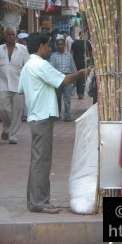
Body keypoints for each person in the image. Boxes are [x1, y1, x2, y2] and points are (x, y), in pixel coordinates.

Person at [18, 32, 88, 214]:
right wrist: (82, 73)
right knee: (42, 161)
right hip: (41, 116)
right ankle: (40, 201)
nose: (50, 49)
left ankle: (34, 201)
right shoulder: (40, 64)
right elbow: (63, 80)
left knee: (38, 161)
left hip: (36, 116)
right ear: (40, 46)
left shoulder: (28, 65)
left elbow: (20, 89)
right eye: (48, 45)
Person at [0, 27, 29, 144]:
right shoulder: (0, 49)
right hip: (2, 84)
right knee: (3, 109)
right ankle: (7, 128)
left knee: (17, 111)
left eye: (13, 35)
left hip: (18, 84)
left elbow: (28, 66)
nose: (11, 37)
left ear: (16, 36)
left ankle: (12, 134)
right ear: (5, 36)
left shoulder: (22, 49)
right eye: (9, 35)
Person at [50, 35, 77, 121]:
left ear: (65, 45)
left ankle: (67, 115)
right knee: (57, 98)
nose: (60, 46)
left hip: (67, 78)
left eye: (62, 44)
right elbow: (51, 69)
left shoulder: (69, 55)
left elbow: (73, 67)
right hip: (57, 79)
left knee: (67, 98)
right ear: (56, 45)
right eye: (59, 44)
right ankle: (57, 115)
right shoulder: (53, 56)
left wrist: (75, 78)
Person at [71, 31, 92, 99]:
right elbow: (91, 53)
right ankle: (81, 93)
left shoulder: (75, 42)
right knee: (82, 78)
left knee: (78, 77)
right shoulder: (87, 43)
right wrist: (90, 62)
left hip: (76, 63)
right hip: (83, 63)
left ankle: (79, 93)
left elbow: (71, 52)